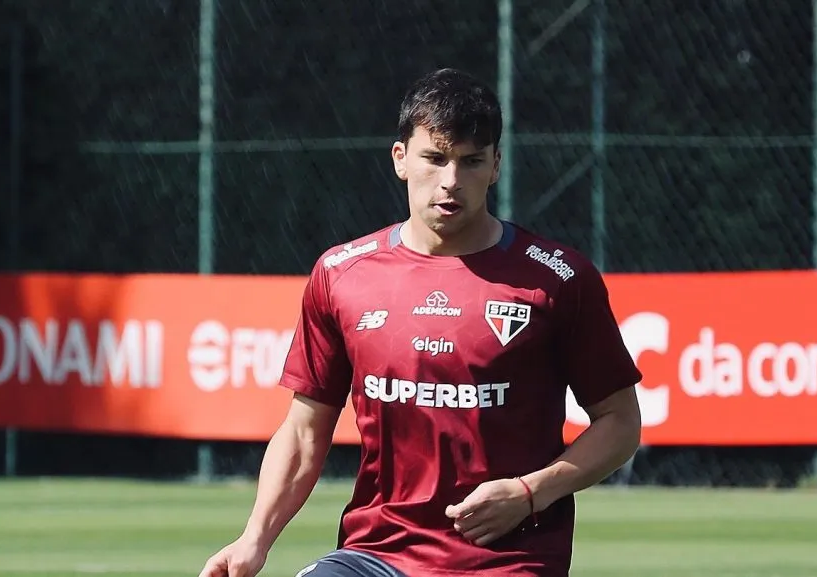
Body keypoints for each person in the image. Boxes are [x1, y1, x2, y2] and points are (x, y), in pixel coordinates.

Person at [199, 67, 643, 577]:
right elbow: (303, 432)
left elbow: (621, 422)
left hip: (507, 561)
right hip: (375, 556)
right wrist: (254, 539)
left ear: (496, 166)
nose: (451, 181)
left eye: (471, 162)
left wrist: (529, 492)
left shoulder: (559, 279)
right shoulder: (341, 274)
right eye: (434, 158)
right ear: (401, 159)